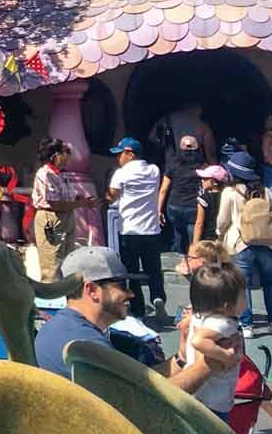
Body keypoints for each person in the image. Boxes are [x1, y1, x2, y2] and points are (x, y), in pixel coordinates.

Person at [33, 246, 233, 395]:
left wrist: (181, 356)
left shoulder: (66, 329)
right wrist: (209, 365)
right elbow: (146, 399)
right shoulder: (84, 344)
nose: (131, 294)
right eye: (122, 285)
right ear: (92, 290)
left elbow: (141, 381)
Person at [216, 144, 272, 330]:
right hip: (268, 244)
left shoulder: (230, 193)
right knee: (271, 283)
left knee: (242, 285)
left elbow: (222, 222)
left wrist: (219, 236)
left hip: (242, 244)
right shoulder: (267, 192)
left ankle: (247, 325)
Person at [179, 250, 249, 421]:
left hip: (199, 395)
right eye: (243, 297)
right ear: (226, 306)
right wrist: (225, 357)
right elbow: (199, 341)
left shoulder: (199, 317)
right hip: (213, 402)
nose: (246, 301)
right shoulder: (223, 323)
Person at [105, 137, 166, 317]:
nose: (119, 159)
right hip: (152, 230)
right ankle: (157, 296)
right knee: (153, 268)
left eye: (120, 154)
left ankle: (137, 307)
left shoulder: (121, 174)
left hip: (129, 230)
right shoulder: (154, 170)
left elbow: (111, 197)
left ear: (130, 154)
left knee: (130, 271)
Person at [28, 138, 96, 280]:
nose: (68, 156)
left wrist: (83, 200)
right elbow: (55, 203)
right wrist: (80, 204)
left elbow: (67, 196)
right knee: (51, 263)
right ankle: (51, 297)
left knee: (67, 260)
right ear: (55, 155)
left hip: (66, 217)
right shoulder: (46, 174)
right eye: (66, 152)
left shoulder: (61, 174)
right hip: (51, 218)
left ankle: (64, 296)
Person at [159, 133, 206, 258]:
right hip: (193, 208)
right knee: (193, 241)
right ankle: (192, 264)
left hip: (174, 207)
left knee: (178, 237)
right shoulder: (203, 167)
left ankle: (178, 263)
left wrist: (159, 210)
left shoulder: (172, 165)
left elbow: (164, 189)